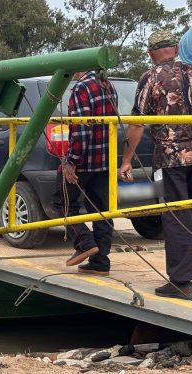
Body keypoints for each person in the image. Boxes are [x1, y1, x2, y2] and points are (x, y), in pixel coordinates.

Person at [120, 29, 192, 300]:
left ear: (151, 52)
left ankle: (181, 282)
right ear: (176, 47)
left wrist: (126, 160)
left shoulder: (151, 76)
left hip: (171, 158)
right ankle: (187, 275)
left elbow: (137, 123)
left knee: (176, 216)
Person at [52, 45, 117, 276]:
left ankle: (84, 243)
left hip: (85, 160)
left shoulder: (81, 87)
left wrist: (71, 162)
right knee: (101, 210)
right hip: (105, 158)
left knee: (62, 202)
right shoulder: (107, 84)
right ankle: (101, 263)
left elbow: (80, 130)